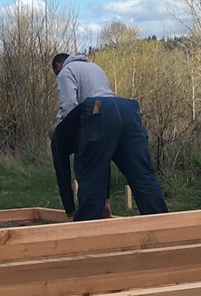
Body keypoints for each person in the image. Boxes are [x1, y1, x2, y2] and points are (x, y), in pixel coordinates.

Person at [51, 51, 167, 221]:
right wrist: (106, 199)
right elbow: (103, 151)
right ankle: (165, 228)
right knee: (143, 178)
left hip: (97, 112)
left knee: (90, 181)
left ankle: (85, 235)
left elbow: (69, 107)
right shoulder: (95, 67)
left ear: (58, 66)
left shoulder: (65, 72)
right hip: (128, 111)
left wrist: (59, 128)